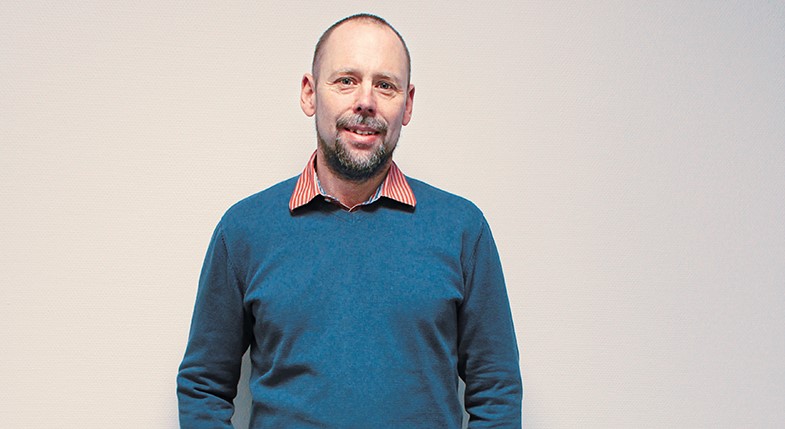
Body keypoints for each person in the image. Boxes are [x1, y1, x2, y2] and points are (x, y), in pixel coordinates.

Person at [177, 13, 522, 428]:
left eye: (385, 85)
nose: (365, 101)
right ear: (310, 94)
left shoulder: (462, 230)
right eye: (346, 80)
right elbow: (203, 386)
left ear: (408, 104)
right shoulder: (244, 230)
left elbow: (496, 391)